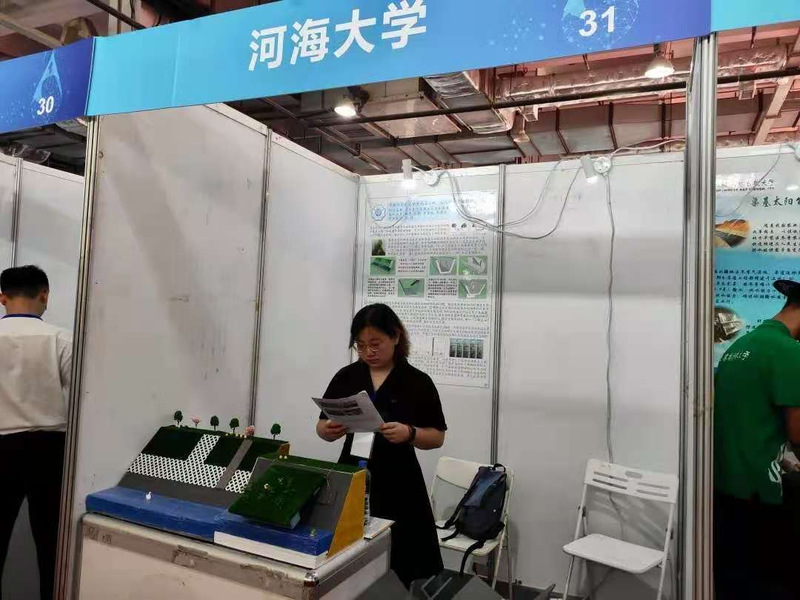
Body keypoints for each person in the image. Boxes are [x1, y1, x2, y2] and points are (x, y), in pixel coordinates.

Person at [316, 304, 446, 588]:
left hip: (399, 481)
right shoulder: (347, 376)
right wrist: (328, 430)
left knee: (400, 561)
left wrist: (410, 433)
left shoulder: (417, 382)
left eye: (375, 344)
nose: (368, 352)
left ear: (396, 337)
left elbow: (437, 436)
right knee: (344, 557)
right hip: (352, 473)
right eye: (360, 346)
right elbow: (322, 426)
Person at [713, 279, 800, 599]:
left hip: (726, 484)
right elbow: (798, 432)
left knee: (737, 576)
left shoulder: (740, 346)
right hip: (763, 489)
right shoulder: (788, 351)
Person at [0, 266, 72, 600]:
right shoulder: (62, 339)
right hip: (50, 450)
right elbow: (82, 399)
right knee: (52, 546)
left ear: (3, 298)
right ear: (45, 294)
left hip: (1, 449)